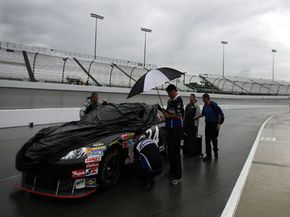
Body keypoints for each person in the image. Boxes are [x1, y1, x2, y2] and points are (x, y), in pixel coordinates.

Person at [164, 84, 184, 185]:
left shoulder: (178, 100)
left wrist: (168, 115)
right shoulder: (170, 101)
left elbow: (179, 115)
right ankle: (172, 171)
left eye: (169, 93)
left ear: (173, 91)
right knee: (170, 152)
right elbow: (168, 112)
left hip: (176, 129)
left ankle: (178, 176)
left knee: (176, 153)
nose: (168, 95)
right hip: (170, 129)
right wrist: (164, 112)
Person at [194, 93, 222, 161]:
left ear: (206, 98)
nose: (202, 100)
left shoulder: (213, 104)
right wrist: (197, 117)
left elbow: (219, 114)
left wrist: (218, 124)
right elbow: (203, 114)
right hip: (208, 125)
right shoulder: (205, 106)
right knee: (207, 141)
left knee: (214, 140)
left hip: (214, 124)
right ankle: (208, 156)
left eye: (203, 98)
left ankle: (215, 152)